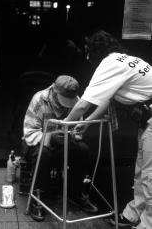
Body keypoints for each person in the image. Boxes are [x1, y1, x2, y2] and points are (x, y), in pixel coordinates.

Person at [65, 30, 152, 229]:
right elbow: (107, 99)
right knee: (140, 172)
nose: (87, 58)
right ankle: (133, 214)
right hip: (146, 120)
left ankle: (148, 224)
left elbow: (82, 104)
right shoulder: (125, 59)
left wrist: (64, 126)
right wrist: (85, 123)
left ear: (95, 52)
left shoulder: (109, 63)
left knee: (150, 175)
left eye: (88, 53)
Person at [22, 75, 98, 221]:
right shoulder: (39, 99)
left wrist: (72, 135)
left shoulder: (76, 101)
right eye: (63, 98)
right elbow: (29, 133)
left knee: (83, 149)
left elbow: (77, 131)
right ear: (54, 89)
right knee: (43, 153)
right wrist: (50, 137)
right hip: (35, 143)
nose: (67, 105)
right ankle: (38, 197)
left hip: (62, 143)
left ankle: (75, 192)